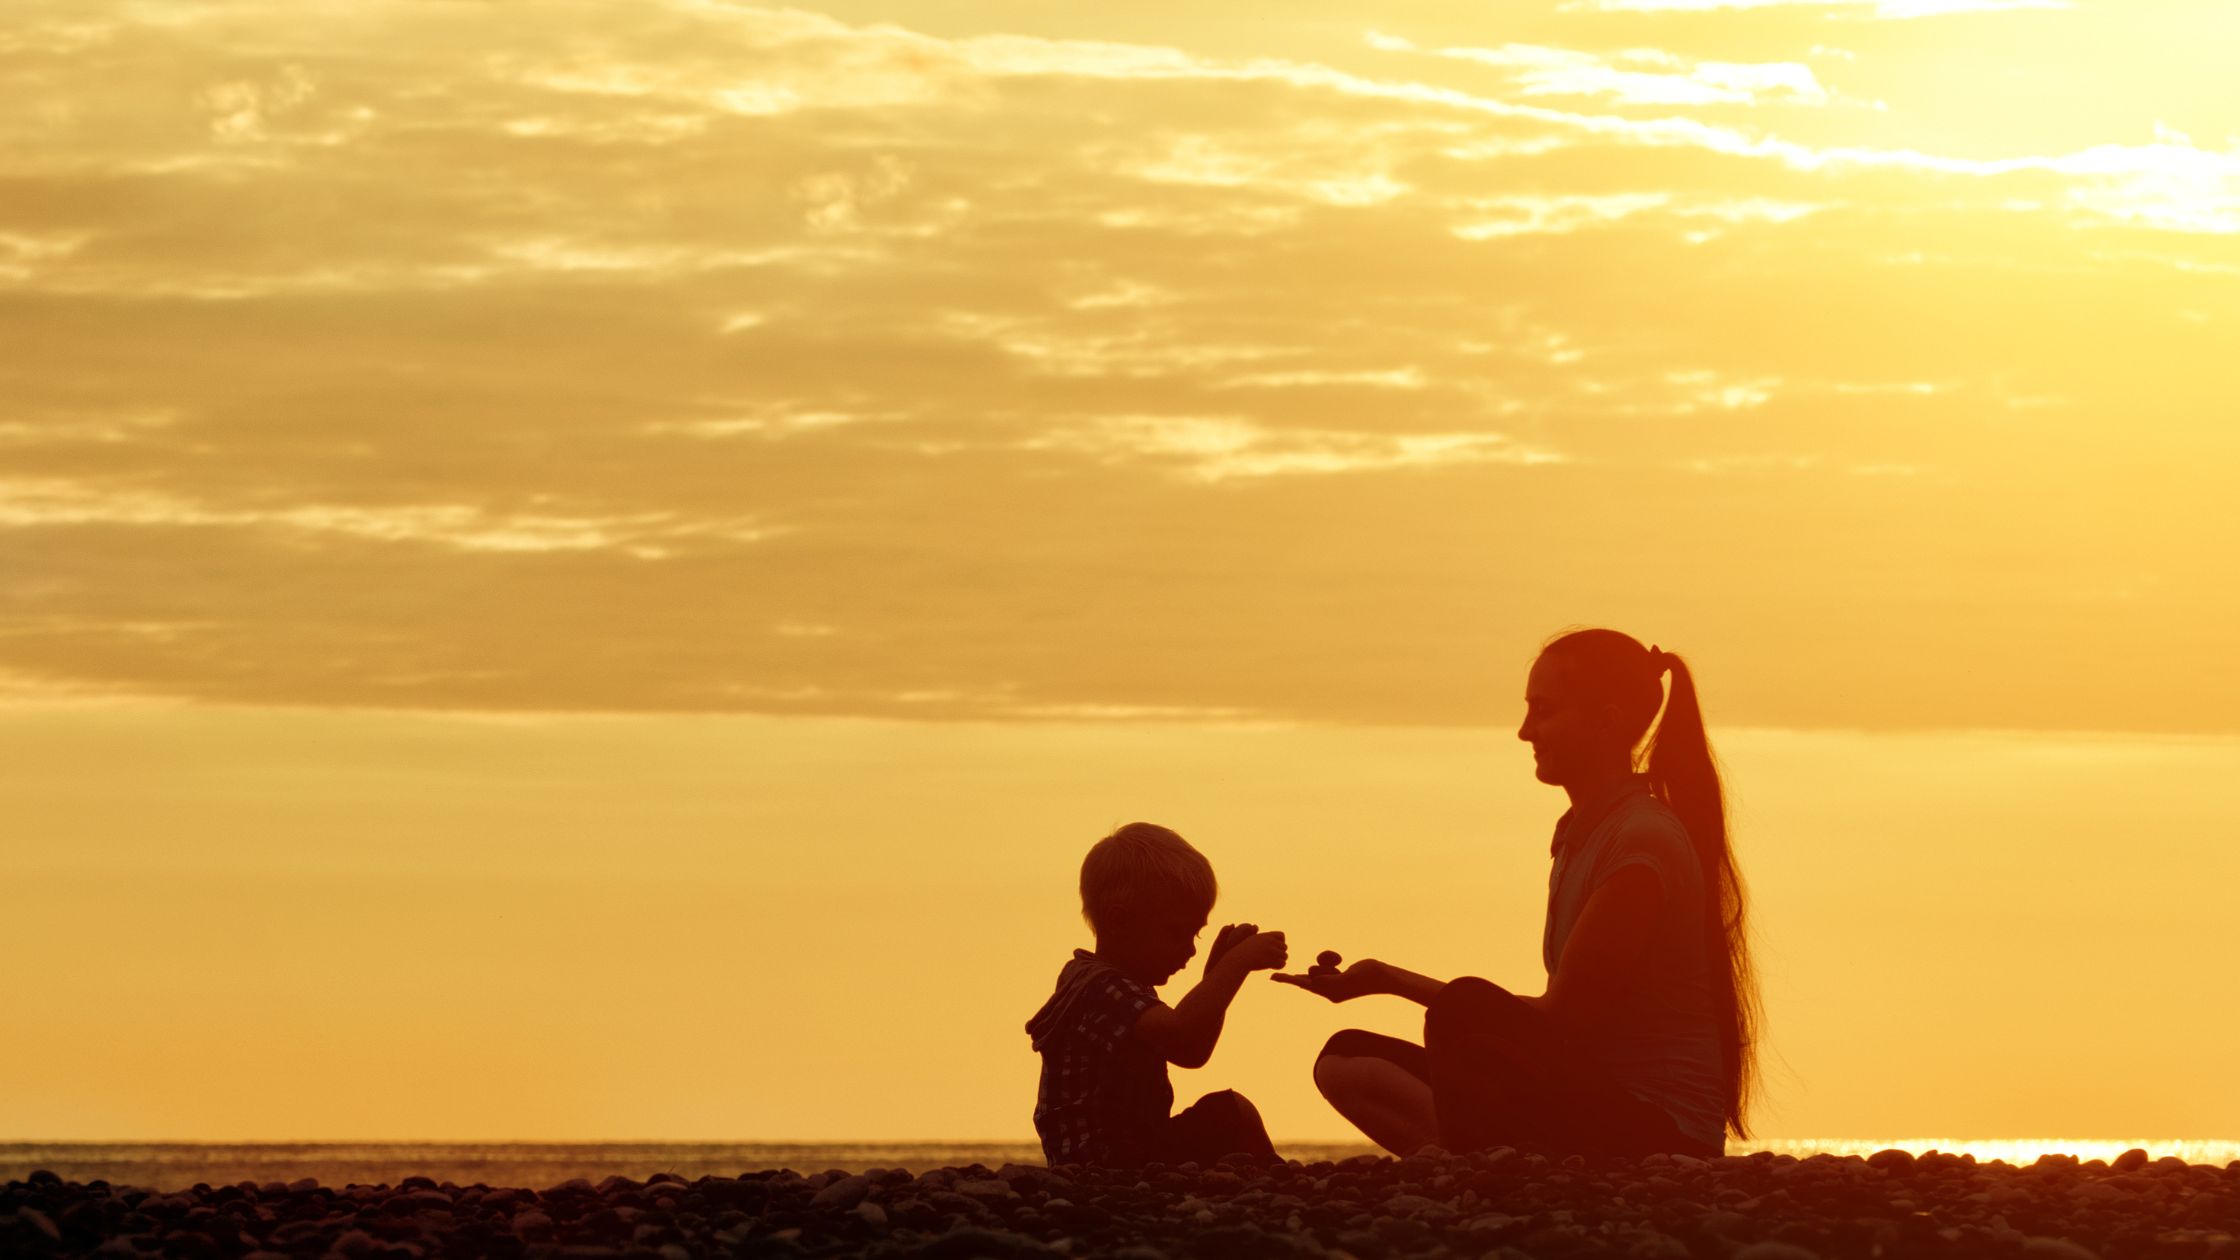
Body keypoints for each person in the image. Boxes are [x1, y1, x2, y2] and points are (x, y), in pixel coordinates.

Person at [1277, 629, 1761, 1159]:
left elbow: (1561, 1018)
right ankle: (1488, 1162)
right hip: (1585, 1100)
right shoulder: (1583, 834)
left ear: (1608, 719)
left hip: (1657, 1130)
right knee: (1347, 1063)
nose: (1525, 731)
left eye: (1544, 711)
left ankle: (1484, 1168)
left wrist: (1391, 980)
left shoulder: (1641, 840)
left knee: (1462, 1009)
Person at [1027, 822, 1290, 1167]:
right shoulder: (1101, 987)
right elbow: (1182, 1035)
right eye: (1176, 933)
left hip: (1127, 1150)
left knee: (1226, 1122)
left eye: (1195, 935)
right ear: (1120, 922)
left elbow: (1193, 1052)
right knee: (1231, 1112)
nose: (1189, 950)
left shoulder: (1117, 984)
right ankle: (1279, 1183)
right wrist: (1236, 965)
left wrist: (1214, 978)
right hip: (1105, 1160)